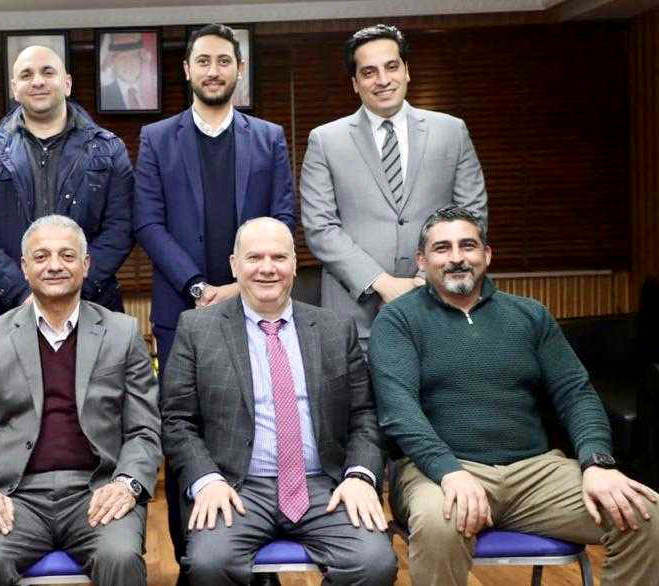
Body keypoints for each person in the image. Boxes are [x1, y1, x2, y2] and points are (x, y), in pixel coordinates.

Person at [369, 206, 659, 585]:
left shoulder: (529, 315)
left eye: (468, 246)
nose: (456, 258)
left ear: (487, 255)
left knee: (644, 514)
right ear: (422, 261)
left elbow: (576, 394)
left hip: (535, 472)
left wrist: (596, 462)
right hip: (438, 472)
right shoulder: (398, 320)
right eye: (442, 248)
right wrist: (449, 471)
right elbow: (399, 411)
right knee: (439, 524)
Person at [133, 24, 295, 580]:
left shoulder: (268, 137)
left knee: (259, 422)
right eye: (203, 61)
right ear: (186, 70)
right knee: (186, 428)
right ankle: (191, 560)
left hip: (259, 305)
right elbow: (148, 222)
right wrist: (199, 287)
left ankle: (260, 558)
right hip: (184, 311)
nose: (213, 71)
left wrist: (241, 286)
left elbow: (283, 217)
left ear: (239, 70)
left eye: (224, 61)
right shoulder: (157, 139)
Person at [163, 217, 397, 586]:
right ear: (234, 265)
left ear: (294, 264)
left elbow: (364, 415)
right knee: (209, 563)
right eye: (254, 257)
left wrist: (359, 476)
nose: (267, 268)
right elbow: (177, 420)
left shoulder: (335, 329)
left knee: (374, 562)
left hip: (323, 485)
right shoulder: (197, 329)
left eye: (279, 257)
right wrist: (207, 480)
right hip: (235, 487)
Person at [0, 215, 161, 586]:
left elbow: (144, 429)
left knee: (120, 558)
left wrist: (126, 483)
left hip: (97, 490)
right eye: (41, 256)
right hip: (16, 496)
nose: (54, 265)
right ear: (24, 267)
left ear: (86, 264)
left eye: (67, 255)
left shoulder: (122, 333)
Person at [300, 24, 487, 349]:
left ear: (406, 71)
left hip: (440, 303)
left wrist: (424, 280)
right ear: (355, 83)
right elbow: (320, 228)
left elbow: (472, 216)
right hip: (354, 315)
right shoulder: (325, 140)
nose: (383, 80)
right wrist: (383, 283)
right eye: (369, 72)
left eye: (391, 66)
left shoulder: (452, 132)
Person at [0, 45, 134, 321]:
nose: (37, 81)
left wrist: (73, 290)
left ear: (67, 84)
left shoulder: (109, 150)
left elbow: (121, 228)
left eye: (47, 72)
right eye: (26, 75)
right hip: (9, 311)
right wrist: (22, 294)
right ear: (15, 89)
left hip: (93, 307)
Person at [100, 33, 154, 111]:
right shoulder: (103, 98)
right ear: (113, 64)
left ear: (141, 60)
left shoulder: (155, 88)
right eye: (122, 58)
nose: (129, 63)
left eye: (133, 56)